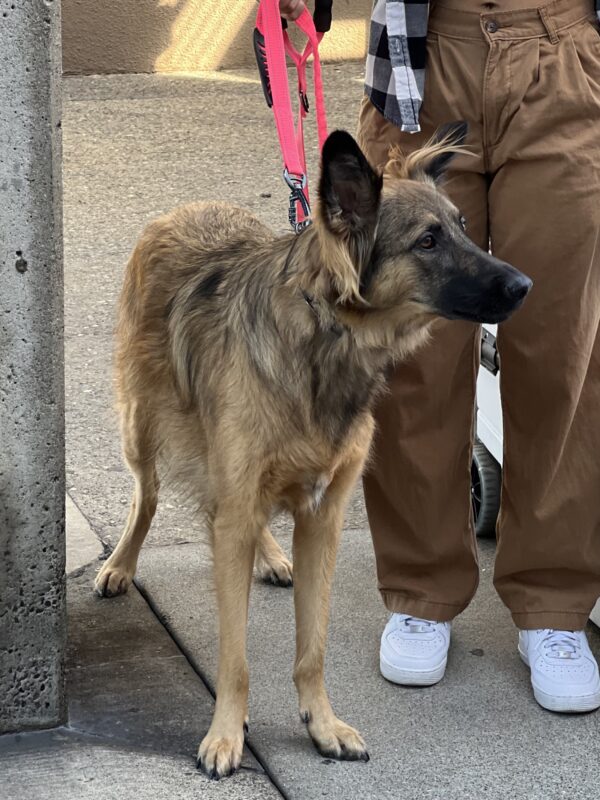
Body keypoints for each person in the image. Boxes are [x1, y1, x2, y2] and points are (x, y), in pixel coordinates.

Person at [280, 0, 600, 713]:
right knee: (409, 354)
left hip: (566, 53)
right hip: (423, 62)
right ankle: (420, 585)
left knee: (562, 346)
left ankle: (554, 600)